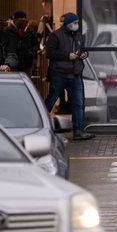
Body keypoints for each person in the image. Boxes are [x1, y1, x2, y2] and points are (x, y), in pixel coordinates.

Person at [44, 12, 94, 140]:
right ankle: (40, 124)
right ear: (67, 23)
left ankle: (77, 130)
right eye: (74, 23)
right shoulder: (56, 36)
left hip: (75, 74)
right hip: (59, 74)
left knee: (78, 103)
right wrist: (67, 55)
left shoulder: (77, 35)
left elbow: (81, 49)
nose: (76, 25)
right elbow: (49, 52)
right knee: (51, 100)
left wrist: (84, 54)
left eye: (77, 23)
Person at [2, 10, 40, 76]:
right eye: (18, 19)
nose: (21, 21)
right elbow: (3, 45)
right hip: (12, 62)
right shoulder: (7, 31)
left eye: (23, 19)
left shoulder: (30, 31)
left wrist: (31, 51)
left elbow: (37, 45)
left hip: (27, 62)